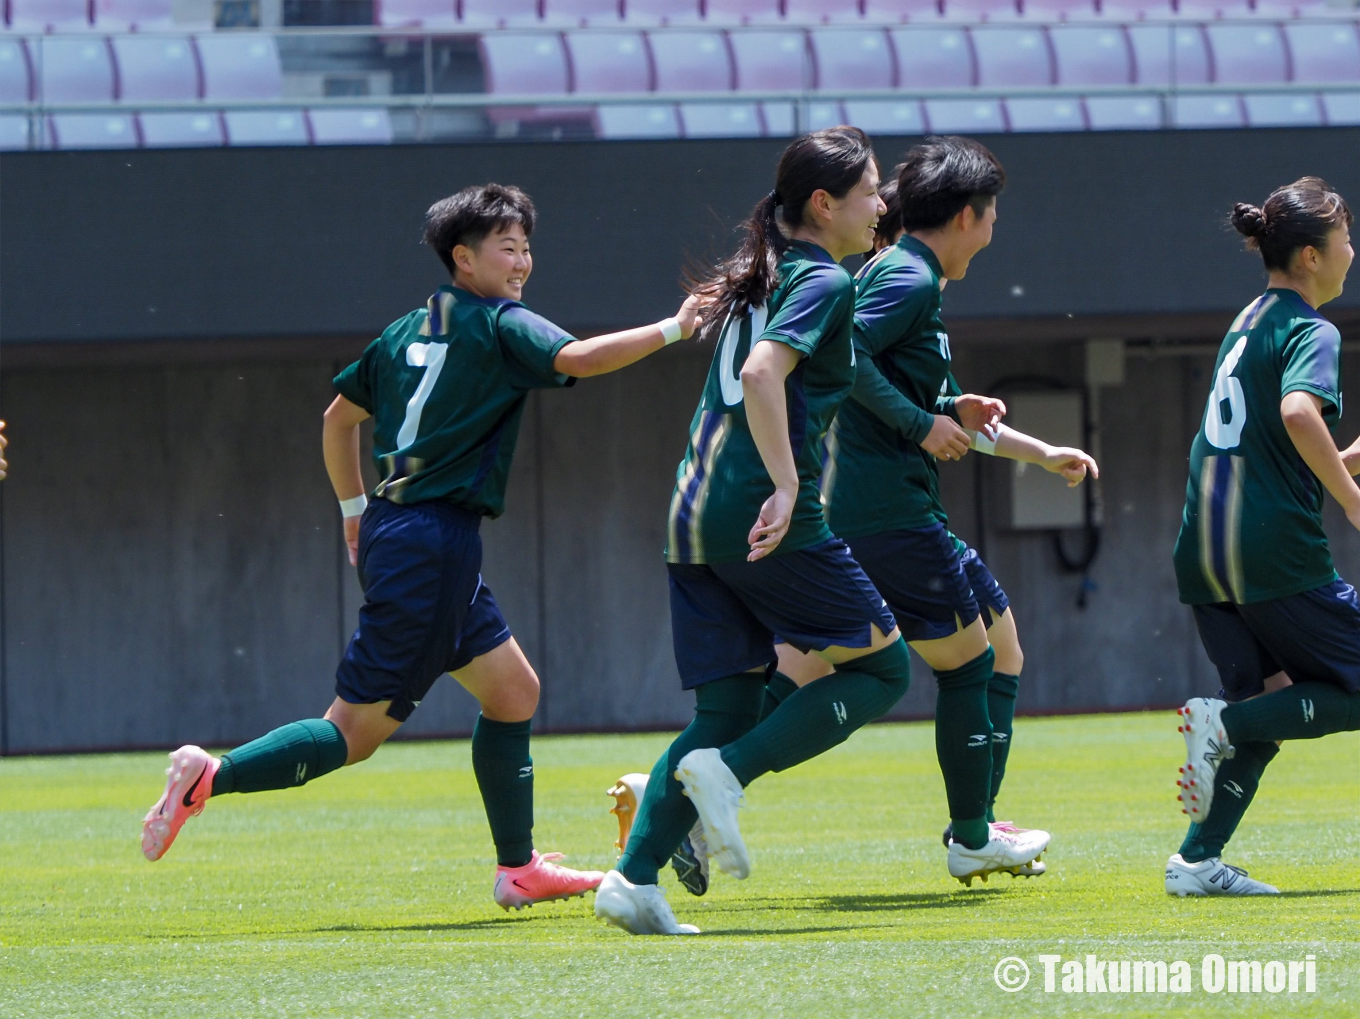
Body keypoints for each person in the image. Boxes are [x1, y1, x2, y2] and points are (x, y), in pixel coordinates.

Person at [141, 183, 706, 913]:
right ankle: (209, 775)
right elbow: (580, 359)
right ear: (462, 258)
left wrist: (353, 511)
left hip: (403, 529)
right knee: (354, 732)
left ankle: (518, 868)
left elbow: (335, 420)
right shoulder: (500, 323)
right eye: (508, 245)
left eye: (527, 245)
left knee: (512, 692)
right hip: (433, 541)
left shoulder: (403, 330)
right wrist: (675, 327)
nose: (524, 259)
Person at [593, 126, 916, 937]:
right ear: (823, 203)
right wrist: (786, 482)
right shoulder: (823, 280)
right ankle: (726, 777)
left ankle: (632, 879)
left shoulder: (758, 277)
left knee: (725, 706)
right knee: (884, 668)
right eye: (871, 190)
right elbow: (760, 372)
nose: (881, 204)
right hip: (760, 515)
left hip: (690, 514)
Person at [774, 138, 1096, 886]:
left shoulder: (908, 278)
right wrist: (925, 424)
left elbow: (915, 396)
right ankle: (973, 831)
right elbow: (843, 350)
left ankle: (976, 816)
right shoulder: (908, 279)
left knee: (998, 647)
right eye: (991, 217)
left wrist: (1035, 450)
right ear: (965, 215)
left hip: (889, 510)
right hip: (888, 514)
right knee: (968, 663)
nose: (992, 233)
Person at [1167, 177, 1359, 896]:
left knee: (1274, 700)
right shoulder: (1315, 327)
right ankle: (1224, 720)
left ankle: (1195, 860)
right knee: (1254, 713)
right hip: (1272, 552)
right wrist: (1350, 498)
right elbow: (1299, 413)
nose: (1353, 251)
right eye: (1345, 238)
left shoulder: (1251, 317)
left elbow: (1260, 438)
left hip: (1206, 548)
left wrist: (1343, 464)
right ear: (1310, 255)